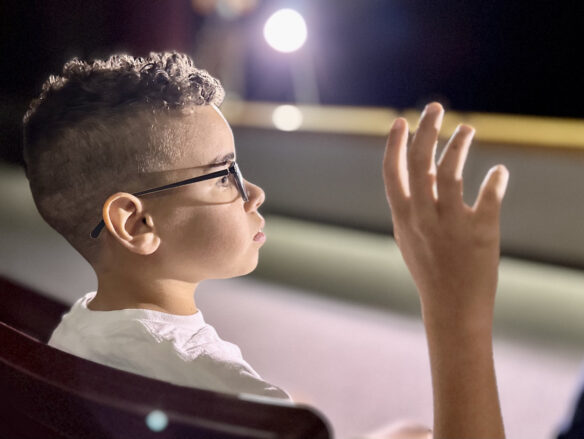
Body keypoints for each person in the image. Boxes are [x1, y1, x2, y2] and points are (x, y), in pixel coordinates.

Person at [23, 51, 508, 438]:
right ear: (137, 223)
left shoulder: (74, 330)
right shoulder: (238, 404)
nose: (253, 192)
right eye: (223, 173)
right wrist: (457, 313)